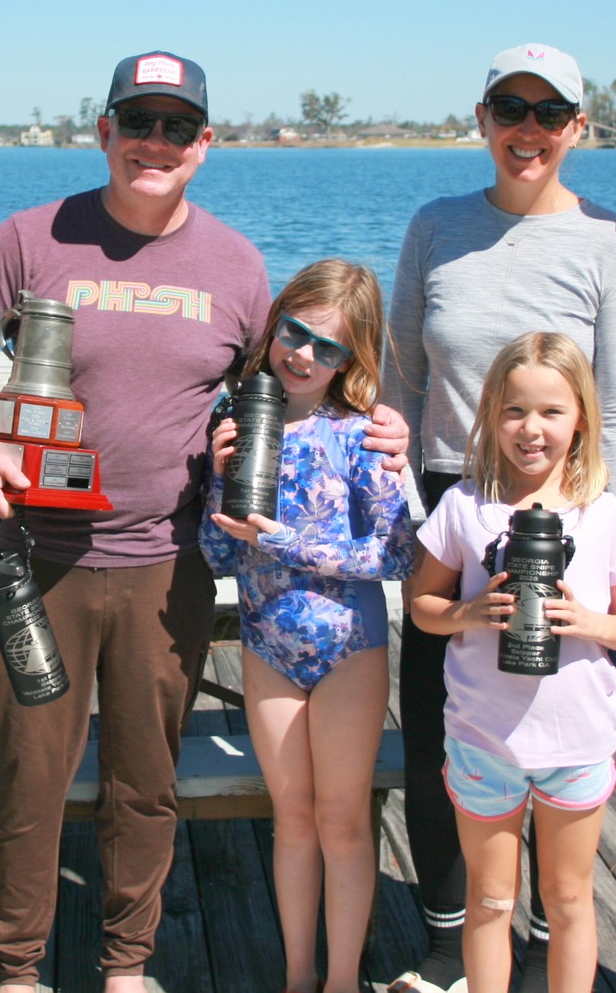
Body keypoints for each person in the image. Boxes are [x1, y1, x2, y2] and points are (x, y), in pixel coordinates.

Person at [0, 51, 407, 992]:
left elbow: (289, 384)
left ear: (205, 143)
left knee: (145, 786)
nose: (155, 141)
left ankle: (126, 965)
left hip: (167, 564)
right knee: (28, 780)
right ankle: (16, 969)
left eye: (176, 126)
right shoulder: (30, 236)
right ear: (103, 130)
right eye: (137, 121)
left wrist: (380, 421)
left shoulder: (236, 265)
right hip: (39, 561)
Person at [384, 43, 616, 993]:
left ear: (577, 126)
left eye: (549, 113)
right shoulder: (436, 226)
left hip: (567, 508)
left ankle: (543, 944)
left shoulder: (610, 241)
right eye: (510, 108)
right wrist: (400, 512)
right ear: (483, 117)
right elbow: (401, 381)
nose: (527, 129)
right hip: (453, 497)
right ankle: (449, 942)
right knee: (444, 731)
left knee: (553, 713)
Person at [410, 332, 616, 993]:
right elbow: (423, 605)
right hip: (483, 739)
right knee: (490, 899)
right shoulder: (464, 505)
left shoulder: (605, 514)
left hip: (576, 744)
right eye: (514, 410)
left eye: (551, 411)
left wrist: (590, 622)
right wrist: (467, 612)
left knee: (568, 899)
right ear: (491, 413)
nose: (531, 428)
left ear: (582, 419)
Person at [202, 259, 417, 993]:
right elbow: (216, 553)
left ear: (350, 359)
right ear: (275, 322)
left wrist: (288, 542)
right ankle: (298, 976)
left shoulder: (360, 436)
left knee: (342, 819)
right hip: (267, 644)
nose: (303, 355)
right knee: (291, 817)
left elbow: (396, 554)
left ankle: (343, 979)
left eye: (328, 347)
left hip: (349, 648)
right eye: (296, 333)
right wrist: (216, 480)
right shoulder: (235, 422)